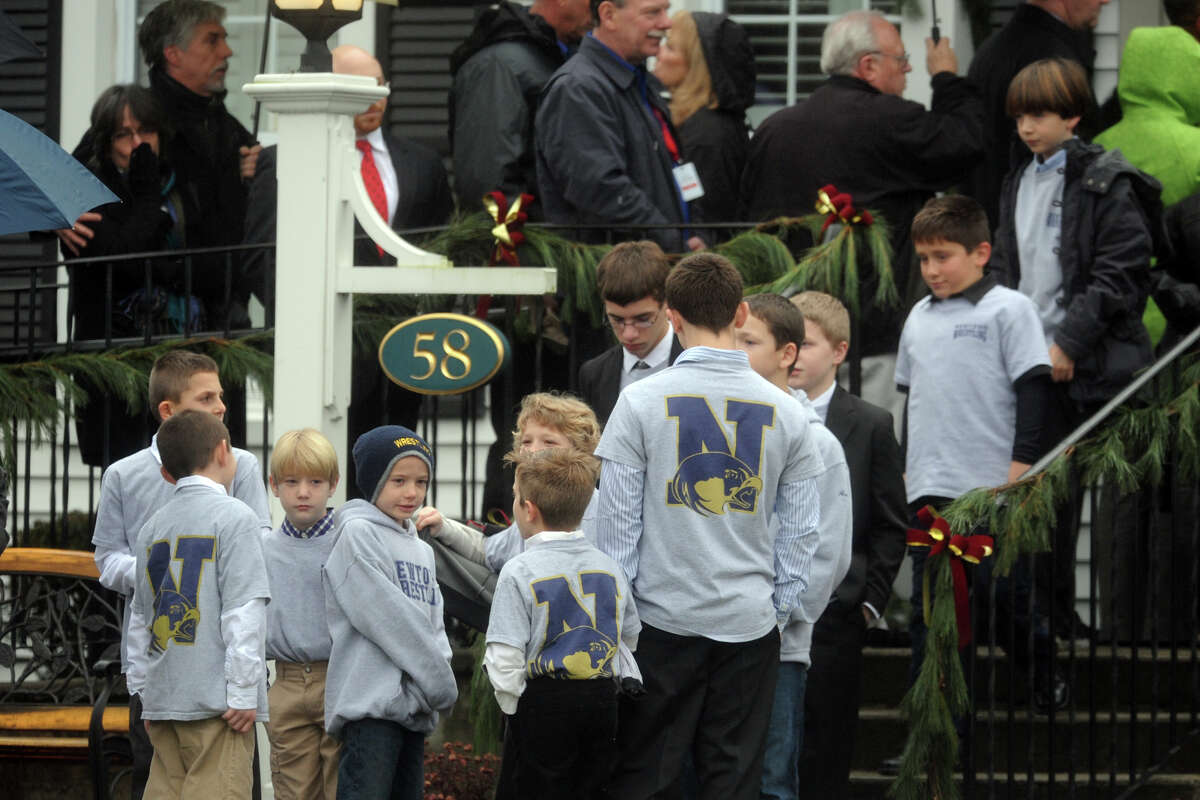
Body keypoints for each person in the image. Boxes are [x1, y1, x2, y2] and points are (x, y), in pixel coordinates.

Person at [594, 252, 824, 798]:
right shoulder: (791, 411)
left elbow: (618, 527)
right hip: (748, 622)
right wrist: (777, 610)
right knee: (735, 781)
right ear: (741, 313)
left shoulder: (638, 401)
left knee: (647, 777)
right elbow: (801, 531)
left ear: (672, 317)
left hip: (660, 618)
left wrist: (624, 623)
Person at [740, 10, 983, 424]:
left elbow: (748, 221)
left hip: (784, 337)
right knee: (869, 447)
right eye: (901, 59)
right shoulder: (892, 121)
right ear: (868, 65)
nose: (908, 69)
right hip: (874, 335)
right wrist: (946, 78)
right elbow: (967, 143)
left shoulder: (774, 130)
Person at [991, 58, 1158, 638]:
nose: (1026, 128)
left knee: (1070, 498)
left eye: (1039, 115)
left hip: (1085, 366)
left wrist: (1068, 343)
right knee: (1036, 497)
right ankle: (1041, 618)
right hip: (1028, 362)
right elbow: (1008, 267)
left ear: (1073, 116)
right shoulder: (1017, 178)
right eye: (1020, 117)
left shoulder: (1106, 179)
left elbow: (1120, 271)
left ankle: (1066, 620)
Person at [899, 195, 1059, 714]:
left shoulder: (1011, 308)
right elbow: (913, 399)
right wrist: (908, 470)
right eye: (924, 259)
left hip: (991, 487)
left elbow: (1034, 391)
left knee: (1003, 596)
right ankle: (940, 730)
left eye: (942, 256)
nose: (931, 270)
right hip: (929, 488)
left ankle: (1043, 668)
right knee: (933, 615)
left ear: (981, 253)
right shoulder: (918, 316)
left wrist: (1020, 468)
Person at [91, 349, 271, 800]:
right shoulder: (124, 475)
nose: (221, 407)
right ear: (168, 410)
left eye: (221, 396)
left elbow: (258, 550)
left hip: (187, 678)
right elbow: (245, 606)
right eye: (206, 398)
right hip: (194, 686)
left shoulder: (237, 471)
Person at [786, 291, 907, 798]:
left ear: (839, 352)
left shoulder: (871, 423)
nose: (793, 354)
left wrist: (869, 602)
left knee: (826, 742)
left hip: (838, 614)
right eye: (788, 342)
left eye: (807, 344)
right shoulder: (763, 414)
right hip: (770, 612)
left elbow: (890, 522)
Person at [733, 293, 852, 800]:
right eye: (733, 339)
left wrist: (778, 618)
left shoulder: (819, 442)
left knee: (773, 782)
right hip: (717, 636)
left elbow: (827, 554)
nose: (735, 352)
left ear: (786, 354)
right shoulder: (725, 428)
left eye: (748, 341)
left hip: (780, 647)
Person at [484, 447, 641, 797]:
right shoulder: (610, 566)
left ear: (529, 509)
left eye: (515, 497)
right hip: (601, 698)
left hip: (543, 700)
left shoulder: (519, 569)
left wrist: (513, 708)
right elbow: (628, 635)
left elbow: (504, 653)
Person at [323, 426, 458, 799]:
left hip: (415, 710)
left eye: (421, 481)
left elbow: (434, 625)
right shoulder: (357, 534)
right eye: (398, 480)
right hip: (371, 711)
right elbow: (390, 620)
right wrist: (440, 684)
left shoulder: (422, 550)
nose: (411, 492)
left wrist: (429, 690)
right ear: (373, 479)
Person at [68, 84, 189, 468]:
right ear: (107, 142)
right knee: (125, 474)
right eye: (125, 134)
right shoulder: (85, 191)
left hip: (174, 351)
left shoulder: (177, 183)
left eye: (146, 131)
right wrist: (147, 197)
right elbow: (124, 261)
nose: (138, 144)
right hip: (112, 359)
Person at [535, 0, 704, 254]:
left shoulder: (640, 82)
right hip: (617, 273)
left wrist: (696, 233)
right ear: (608, 15)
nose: (666, 22)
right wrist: (674, 246)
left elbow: (676, 169)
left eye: (666, 10)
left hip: (655, 265)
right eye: (653, 12)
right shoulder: (578, 88)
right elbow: (601, 190)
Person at [421, 391, 603, 575]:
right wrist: (444, 527)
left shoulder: (603, 512)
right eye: (526, 441)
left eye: (549, 442)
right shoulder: (530, 504)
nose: (533, 450)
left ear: (581, 452)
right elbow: (487, 551)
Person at [965, 0, 1109, 228]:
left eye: (1037, 115)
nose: (1106, 1)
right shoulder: (1053, 59)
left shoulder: (992, 49)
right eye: (1021, 116)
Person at [449, 0, 592, 217]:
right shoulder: (498, 65)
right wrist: (525, 234)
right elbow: (488, 181)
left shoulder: (560, 58)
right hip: (526, 234)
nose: (601, 8)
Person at [262, 429, 342, 800]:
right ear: (274, 486)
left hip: (340, 679)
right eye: (292, 482)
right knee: (293, 791)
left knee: (343, 788)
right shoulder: (263, 549)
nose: (304, 492)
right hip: (287, 682)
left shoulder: (350, 540)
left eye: (315, 482)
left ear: (333, 484)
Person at [652, 11, 754, 229]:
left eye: (669, 47)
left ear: (695, 66)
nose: (658, 53)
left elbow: (708, 219)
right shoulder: (699, 121)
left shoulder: (708, 134)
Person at [577, 241, 683, 424]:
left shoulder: (697, 364)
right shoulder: (594, 374)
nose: (629, 334)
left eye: (643, 319)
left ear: (666, 303)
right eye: (616, 320)